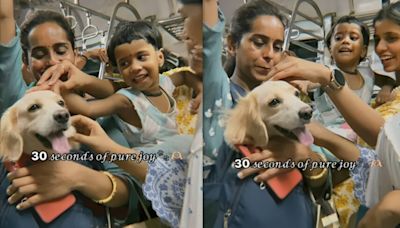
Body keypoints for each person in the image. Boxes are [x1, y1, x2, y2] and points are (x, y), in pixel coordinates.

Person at [0, 1, 140, 226]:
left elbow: (129, 189)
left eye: (61, 51)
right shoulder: (17, 104)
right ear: (26, 62)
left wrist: (76, 176)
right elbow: (3, 17)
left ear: (75, 56)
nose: (52, 61)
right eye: (39, 54)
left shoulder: (102, 115)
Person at [202, 1, 337, 227]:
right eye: (259, 42)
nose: (269, 55)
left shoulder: (289, 99)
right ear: (232, 45)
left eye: (276, 46)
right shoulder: (221, 96)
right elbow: (208, 42)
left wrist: (302, 155)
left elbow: (324, 175)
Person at [267, 2, 400, 227]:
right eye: (338, 38)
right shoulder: (323, 78)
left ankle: (318, 193)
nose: (382, 47)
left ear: (363, 50)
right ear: (329, 47)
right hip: (331, 134)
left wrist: (386, 89)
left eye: (392, 38)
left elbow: (383, 137)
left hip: (347, 141)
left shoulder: (366, 75)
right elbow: (305, 84)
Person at [60, 20, 201, 148]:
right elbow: (88, 109)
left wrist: (201, 90)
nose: (134, 67)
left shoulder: (165, 82)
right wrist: (60, 88)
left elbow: (185, 75)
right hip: (151, 166)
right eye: (124, 63)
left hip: (179, 156)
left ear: (159, 57)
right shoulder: (127, 100)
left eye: (141, 57)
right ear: (119, 72)